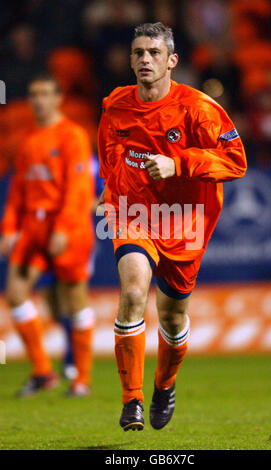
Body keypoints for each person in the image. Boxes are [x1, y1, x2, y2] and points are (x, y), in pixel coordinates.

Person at [98, 22, 247, 431]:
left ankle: (165, 384)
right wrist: (109, 188)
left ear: (171, 61)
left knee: (173, 316)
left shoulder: (199, 108)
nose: (145, 59)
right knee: (132, 292)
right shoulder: (116, 105)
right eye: (138, 53)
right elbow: (109, 149)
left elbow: (236, 162)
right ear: (131, 60)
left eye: (154, 53)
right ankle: (132, 401)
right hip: (136, 213)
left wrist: (178, 163)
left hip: (184, 222)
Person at [0, 74, 95, 397]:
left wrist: (64, 228)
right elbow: (17, 191)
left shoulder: (73, 136)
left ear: (58, 99)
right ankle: (42, 371)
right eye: (33, 94)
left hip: (66, 226)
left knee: (73, 299)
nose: (38, 100)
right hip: (32, 228)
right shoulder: (27, 141)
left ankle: (81, 378)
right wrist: (9, 229)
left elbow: (78, 188)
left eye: (44, 94)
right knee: (14, 292)